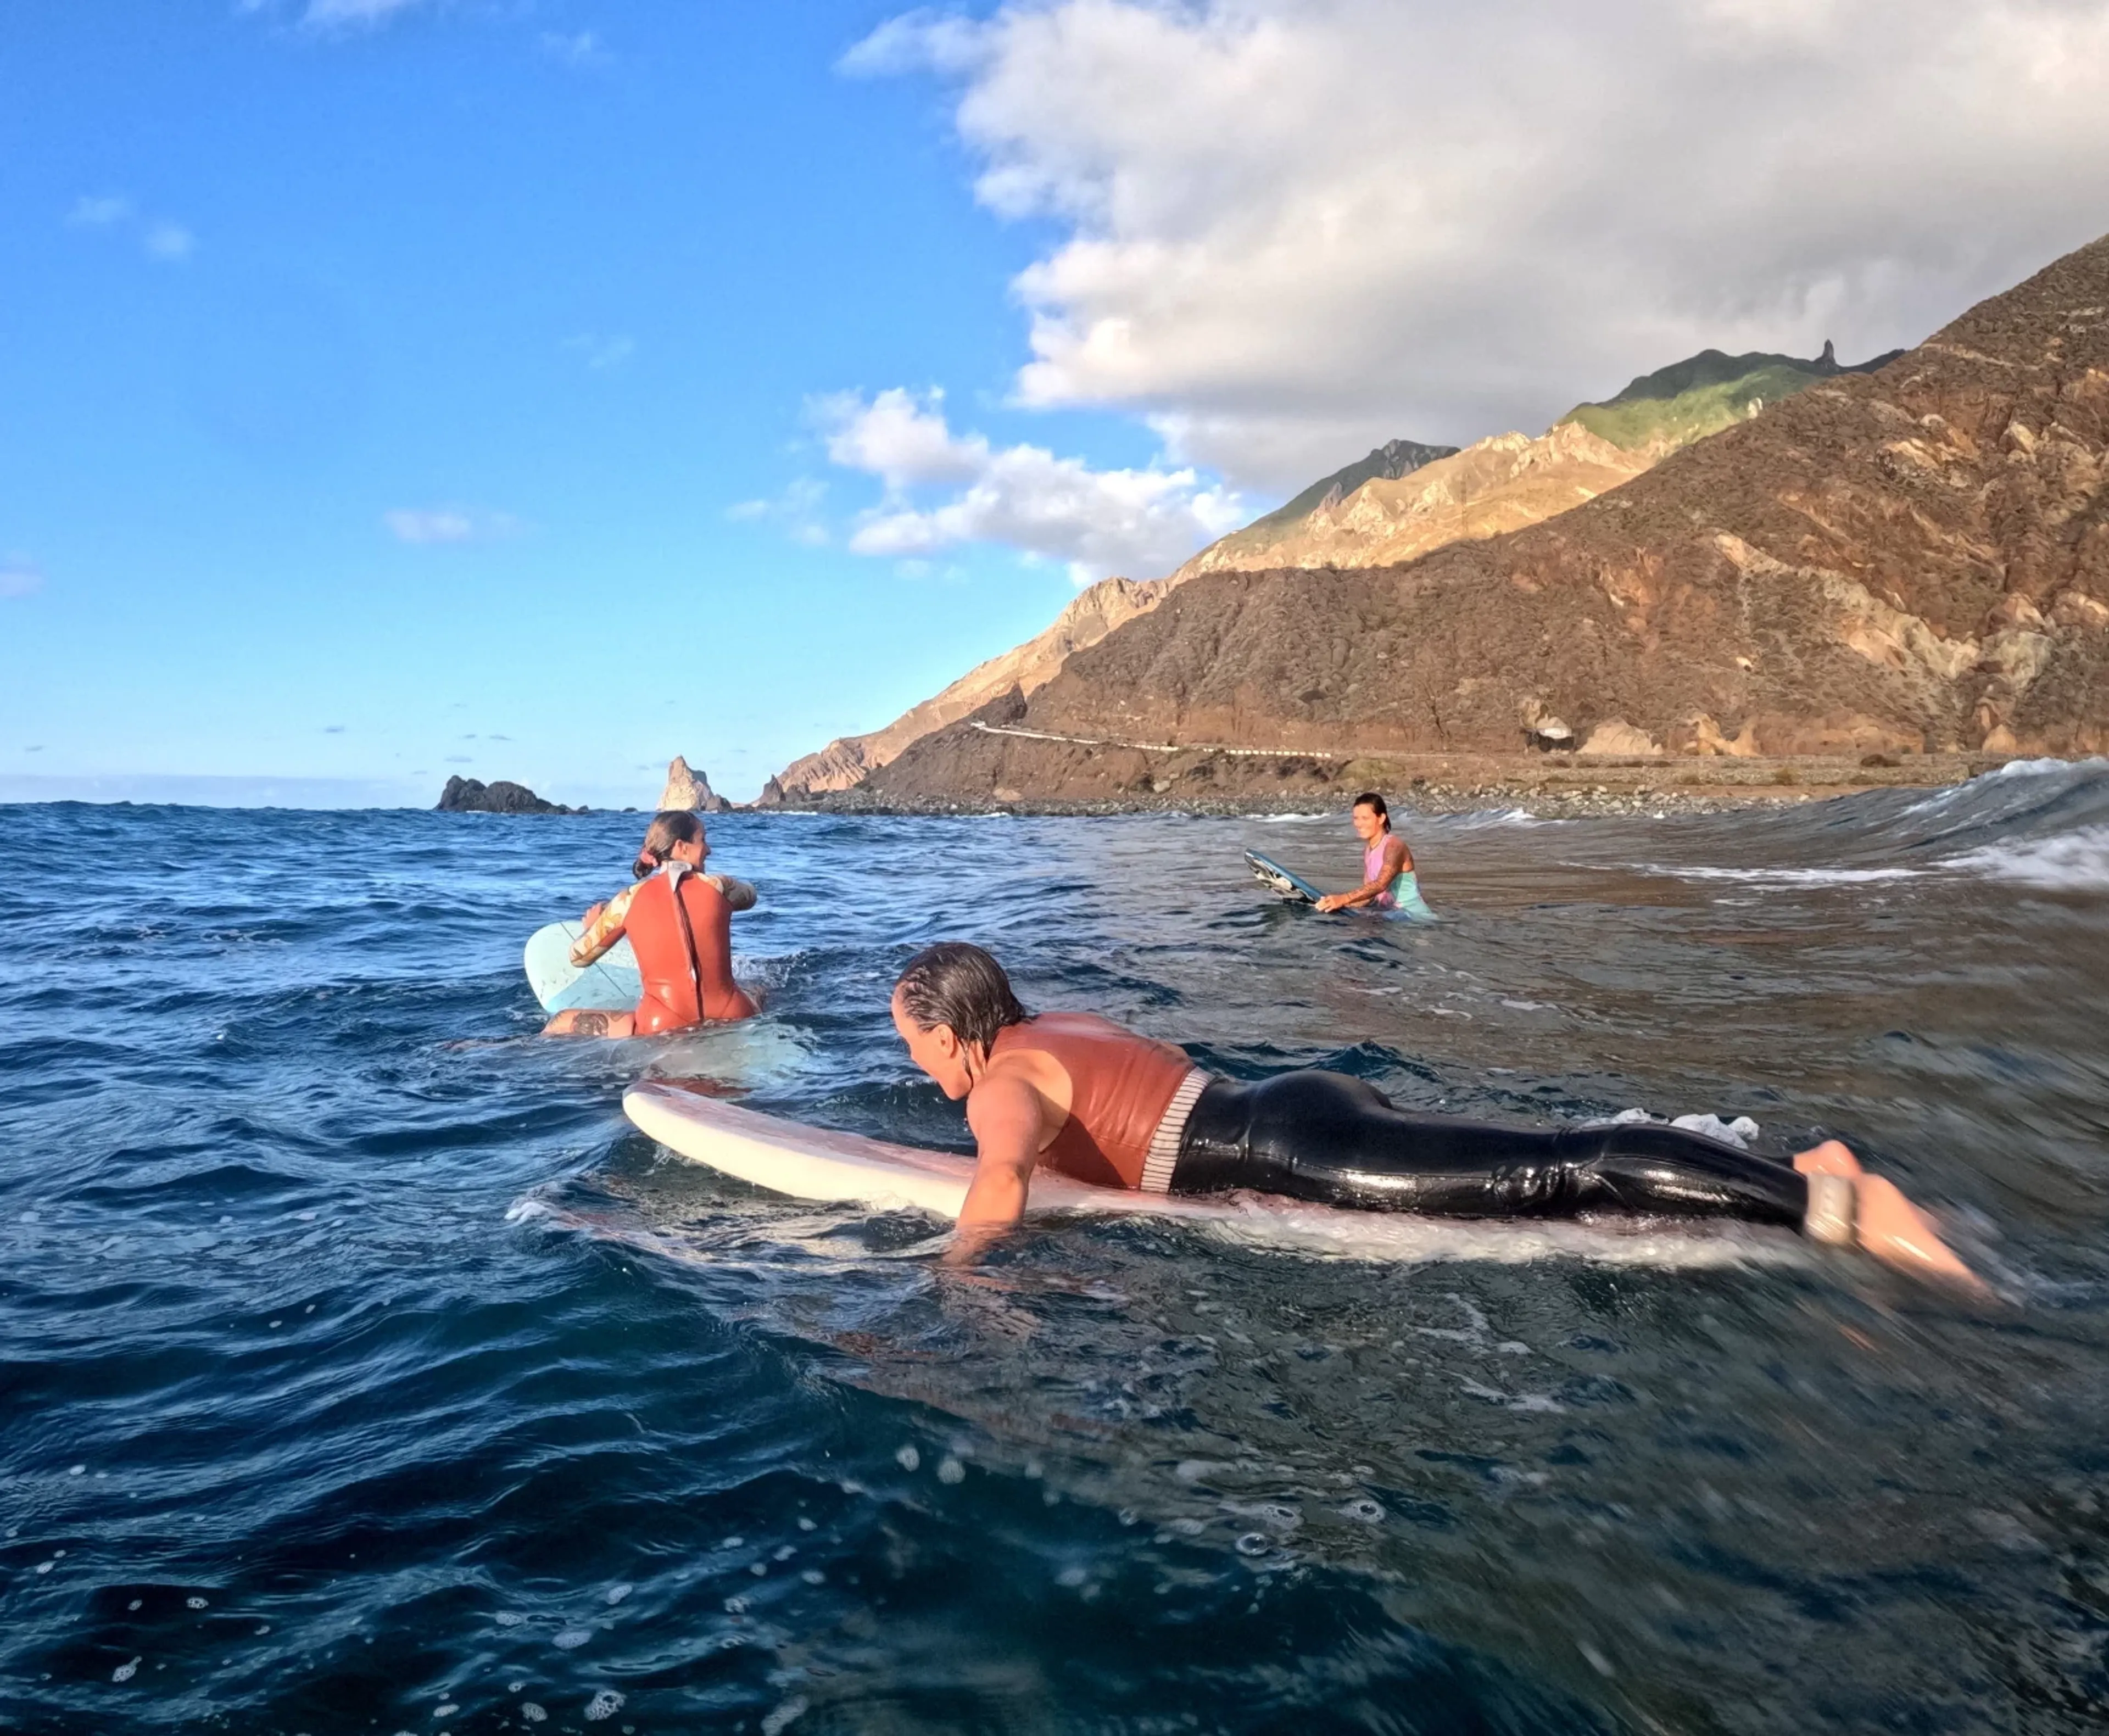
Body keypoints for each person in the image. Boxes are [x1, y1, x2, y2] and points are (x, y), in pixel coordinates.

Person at [888, 941, 1982, 1286]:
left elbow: (1002, 1177)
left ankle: (1829, 1197)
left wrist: (953, 1284)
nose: (912, 1055)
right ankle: (1796, 1163)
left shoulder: (999, 1083)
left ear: (953, 1028)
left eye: (912, 1035)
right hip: (1291, 1104)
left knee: (1557, 1171)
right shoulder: (1055, 1026)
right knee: (1542, 1163)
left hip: (1296, 1147)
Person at [544, 811, 760, 1038]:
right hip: (734, 1014)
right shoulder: (719, 886)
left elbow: (579, 958)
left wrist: (592, 927)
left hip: (662, 1024)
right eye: (703, 840)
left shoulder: (627, 900)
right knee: (758, 988)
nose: (708, 850)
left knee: (559, 1021)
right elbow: (751, 896)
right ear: (681, 847)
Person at [1314, 791, 1433, 918]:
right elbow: (1369, 896)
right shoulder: (1368, 850)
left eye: (1365, 818)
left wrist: (1343, 899)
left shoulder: (1394, 846)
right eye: (1356, 818)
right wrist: (1337, 904)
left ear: (1381, 818)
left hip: (1414, 919)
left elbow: (1381, 884)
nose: (1359, 824)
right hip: (1390, 916)